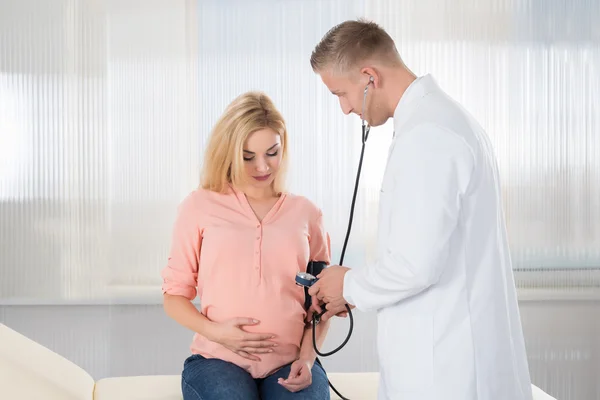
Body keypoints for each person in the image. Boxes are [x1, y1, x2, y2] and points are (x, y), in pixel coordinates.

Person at [306, 19, 533, 400]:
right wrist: (352, 288)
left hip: (446, 369)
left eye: (341, 94)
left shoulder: (428, 137)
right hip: (450, 357)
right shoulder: (444, 122)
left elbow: (415, 264)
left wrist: (346, 284)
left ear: (368, 77)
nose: (345, 109)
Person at [161, 91, 332, 400]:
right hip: (217, 360)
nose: (262, 167)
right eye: (248, 156)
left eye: (272, 152)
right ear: (228, 152)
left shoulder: (307, 213)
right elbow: (174, 297)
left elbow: (321, 305)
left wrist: (307, 360)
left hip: (290, 361)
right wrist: (218, 333)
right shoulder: (199, 206)